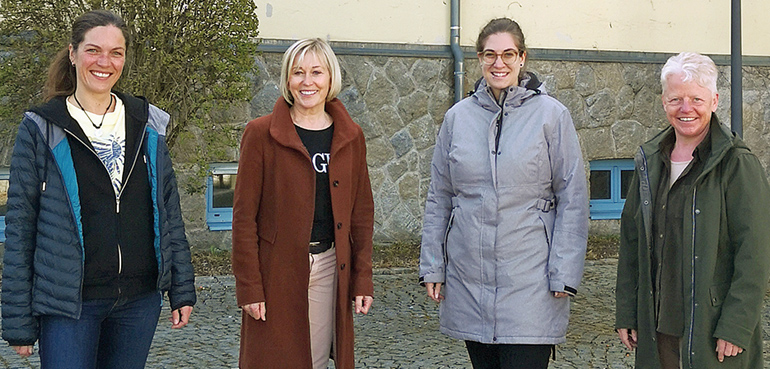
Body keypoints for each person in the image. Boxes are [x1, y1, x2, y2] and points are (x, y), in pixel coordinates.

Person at [1, 9, 196, 368]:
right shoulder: (41, 128)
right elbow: (20, 226)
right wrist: (18, 320)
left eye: (116, 52)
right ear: (73, 54)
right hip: (70, 304)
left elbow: (169, 211)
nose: (104, 62)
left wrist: (181, 286)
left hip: (139, 300)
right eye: (93, 50)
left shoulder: (147, 123)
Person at [419, 18, 589, 369]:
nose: (499, 63)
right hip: (470, 279)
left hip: (532, 283)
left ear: (522, 57)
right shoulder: (457, 119)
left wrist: (565, 273)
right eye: (490, 55)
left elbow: (573, 197)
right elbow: (440, 196)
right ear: (479, 59)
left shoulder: (552, 117)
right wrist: (433, 266)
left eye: (508, 54)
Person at [615, 52, 770, 369]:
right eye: (676, 99)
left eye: (696, 99)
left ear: (714, 101)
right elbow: (632, 243)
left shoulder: (737, 163)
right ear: (664, 102)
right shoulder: (649, 161)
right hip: (658, 330)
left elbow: (756, 253)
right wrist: (628, 311)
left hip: (713, 332)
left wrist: (737, 325)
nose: (686, 109)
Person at [231, 38, 374, 369]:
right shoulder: (260, 134)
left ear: (330, 78)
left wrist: (362, 277)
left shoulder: (351, 136)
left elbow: (362, 214)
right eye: (298, 73)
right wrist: (249, 287)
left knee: (314, 359)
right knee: (270, 360)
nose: (307, 82)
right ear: (287, 79)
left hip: (328, 265)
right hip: (275, 269)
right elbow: (243, 218)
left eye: (316, 72)